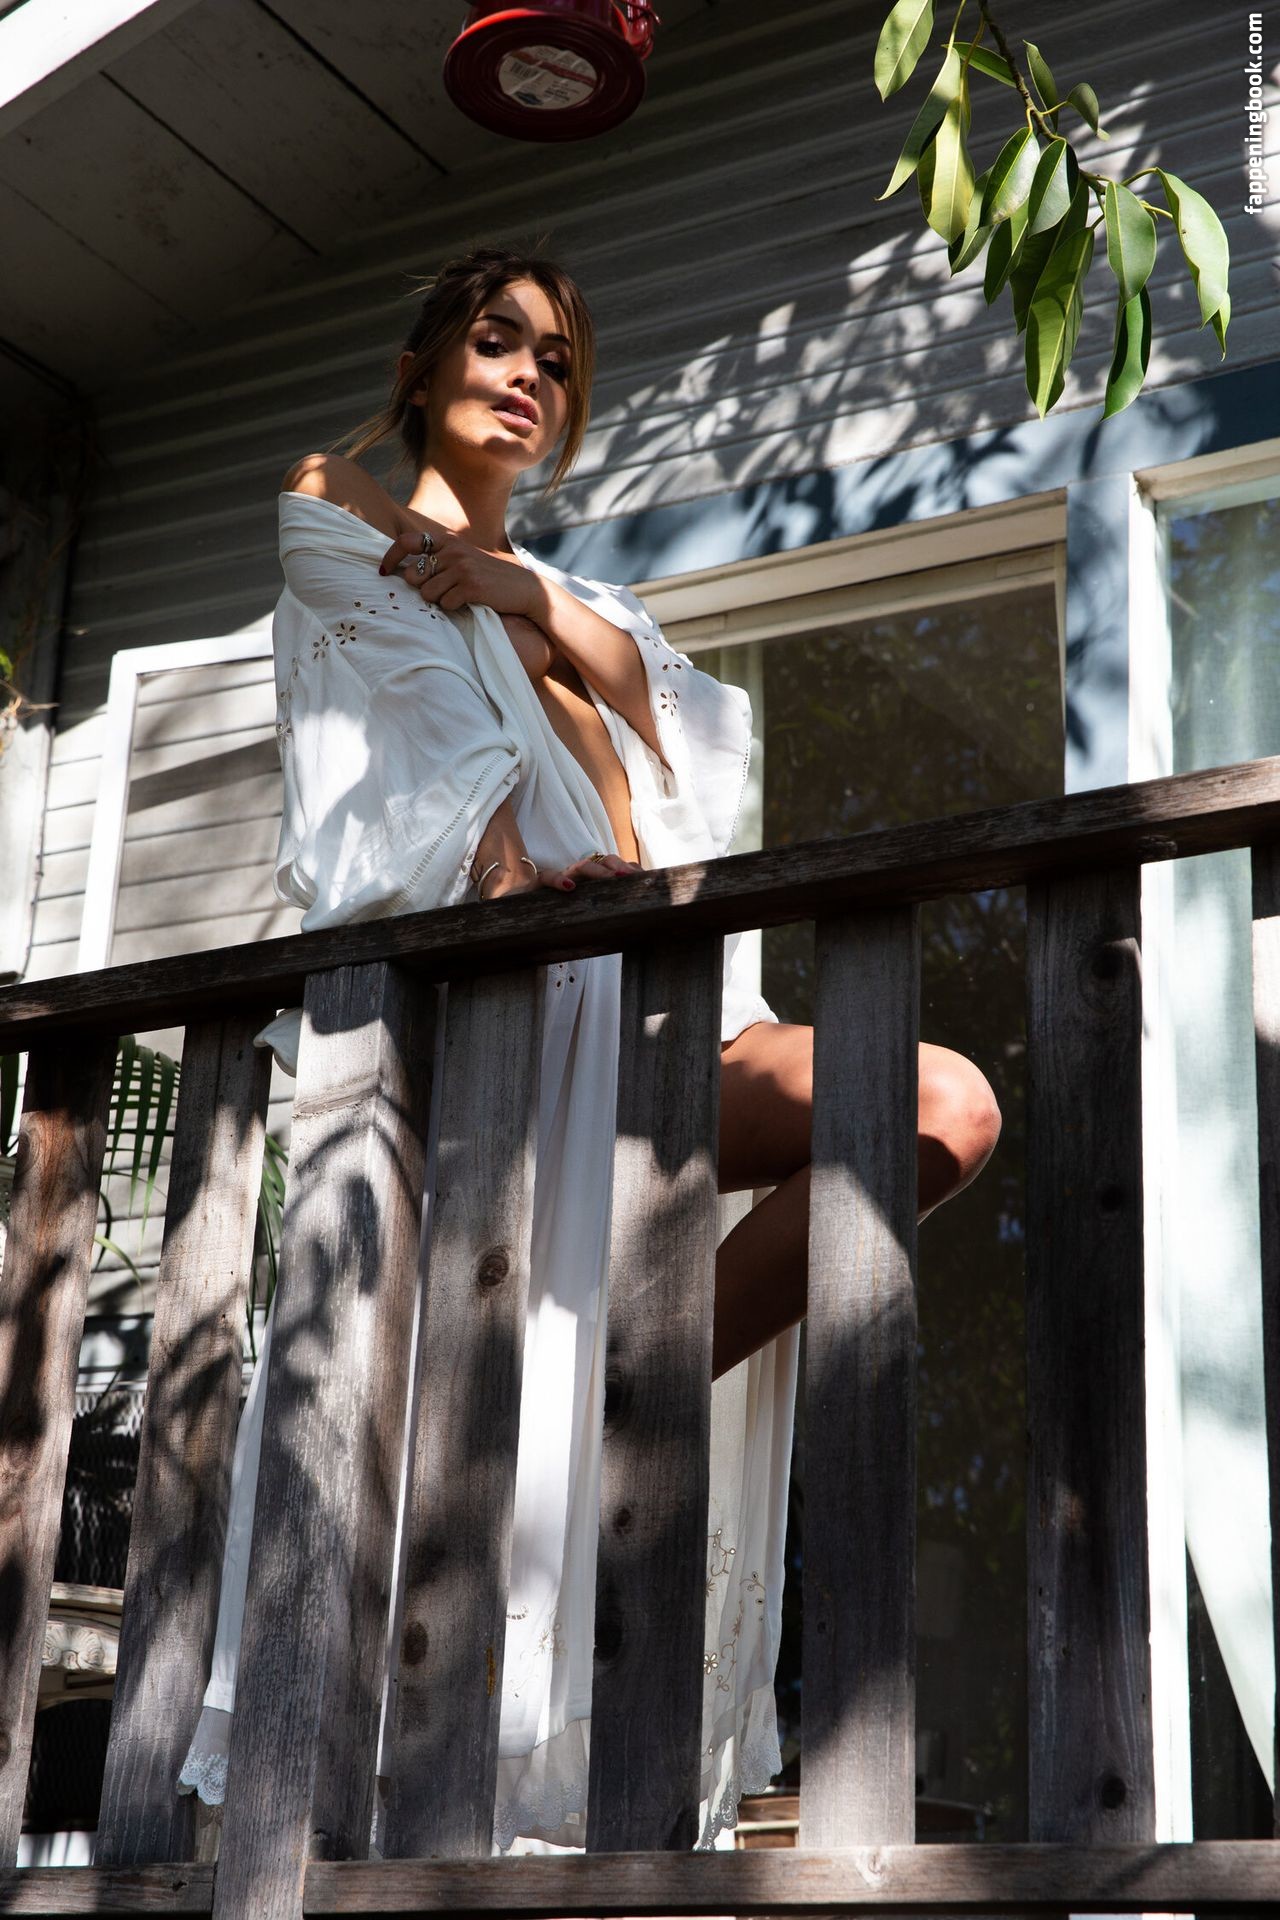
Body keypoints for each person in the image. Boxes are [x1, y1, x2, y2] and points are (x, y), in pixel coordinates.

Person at [176, 244, 1001, 1854]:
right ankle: (566, 1401)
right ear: (424, 367)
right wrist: (500, 871)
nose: (528, 377)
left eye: (556, 362)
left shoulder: (591, 606)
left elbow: (698, 736)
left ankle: (615, 1387)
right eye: (498, 341)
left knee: (938, 1108)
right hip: (523, 1016)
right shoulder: (334, 505)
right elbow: (421, 729)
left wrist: (525, 592)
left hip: (674, 1000)